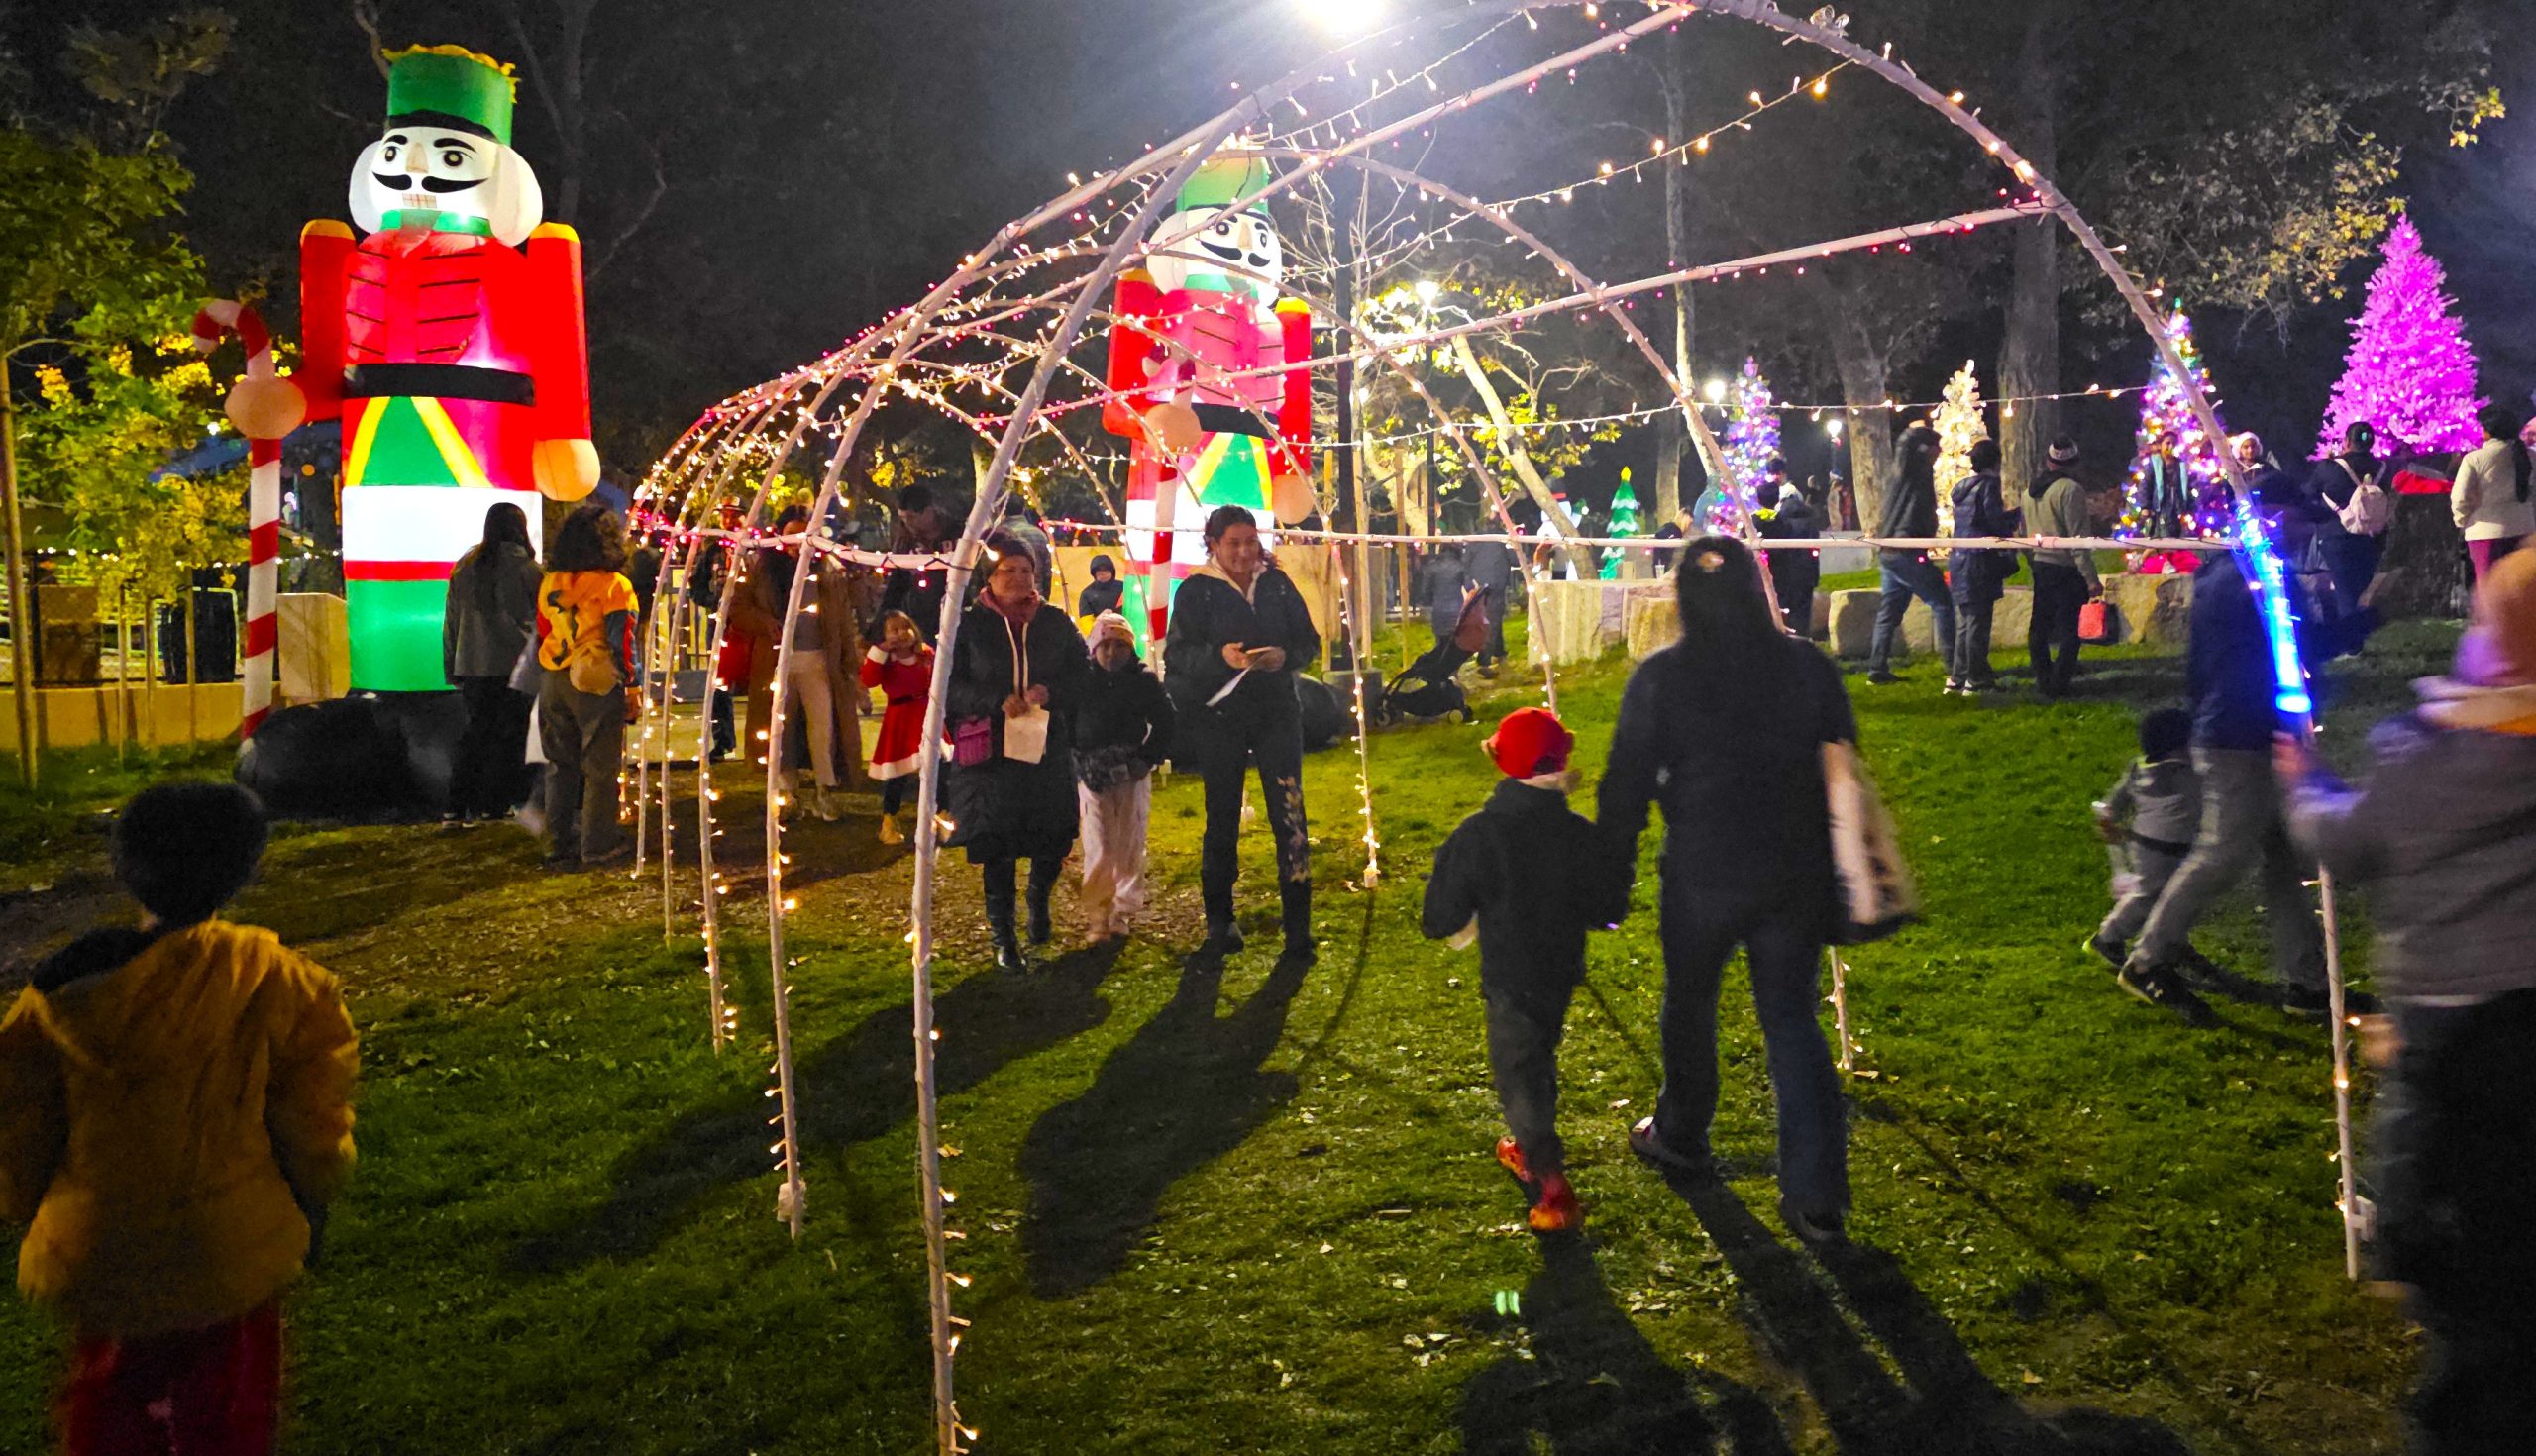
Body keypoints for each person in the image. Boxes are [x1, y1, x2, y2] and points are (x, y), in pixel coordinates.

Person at [1, 782, 357, 1455]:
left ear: (126, 866)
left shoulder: (60, 997)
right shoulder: (283, 984)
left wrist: (25, 1202)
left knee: (110, 1412)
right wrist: (312, 1192)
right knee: (227, 1414)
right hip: (230, 1253)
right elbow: (314, 1126)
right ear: (243, 868)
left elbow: (18, 1124)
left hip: (105, 1250)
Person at [2277, 550, 2536, 1453]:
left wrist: (2302, 779)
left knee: (2444, 1189)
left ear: (2495, 650)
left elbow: (2347, 841)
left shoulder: (2427, 759)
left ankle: (2419, 1273)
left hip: (2453, 1025)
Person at [1600, 536, 1856, 1243]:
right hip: (1791, 868)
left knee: (1691, 999)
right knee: (1790, 1018)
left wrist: (1610, 870)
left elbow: (1625, 780)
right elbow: (1843, 761)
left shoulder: (1665, 678)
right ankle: (1816, 1191)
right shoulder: (1805, 668)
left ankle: (1682, 1129)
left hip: (1704, 868)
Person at [1422, 707, 1627, 1234]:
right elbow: (1607, 907)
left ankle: (1551, 1182)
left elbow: (1439, 914)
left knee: (1520, 1069)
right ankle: (1530, 1145)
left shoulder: (1480, 835)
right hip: (1560, 969)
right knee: (1537, 1054)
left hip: (1511, 973)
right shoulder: (1577, 833)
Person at [2115, 551, 2327, 1022]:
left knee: (2284, 857)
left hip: (2247, 728)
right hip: (2242, 733)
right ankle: (2147, 960)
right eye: (2294, 520)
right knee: (2222, 853)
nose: (2299, 535)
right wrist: (2370, 614)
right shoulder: (2259, 576)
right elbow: (2299, 646)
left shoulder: (2221, 572)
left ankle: (2308, 982)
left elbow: (2205, 659)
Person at [1163, 504, 1322, 961]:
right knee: (1222, 815)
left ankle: (1298, 923)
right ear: (1213, 544)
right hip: (1221, 718)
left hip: (1276, 712)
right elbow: (1179, 655)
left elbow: (1307, 641)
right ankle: (1220, 919)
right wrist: (1222, 657)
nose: (1243, 552)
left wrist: (1284, 657)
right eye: (1233, 543)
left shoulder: (1276, 584)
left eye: (1250, 541)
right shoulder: (1196, 592)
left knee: (1289, 812)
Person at [943, 534, 1089, 972]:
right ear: (990, 576)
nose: (1020, 577)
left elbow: (1082, 674)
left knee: (1052, 835)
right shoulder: (968, 625)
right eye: (1009, 569)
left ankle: (1039, 899)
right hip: (992, 755)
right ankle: (1002, 935)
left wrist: (1051, 690)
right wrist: (994, 698)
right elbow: (949, 686)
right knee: (998, 843)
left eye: (1027, 570)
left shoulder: (1055, 623)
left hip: (1046, 747)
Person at [534, 503, 641, 868]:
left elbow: (543, 630)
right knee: (600, 765)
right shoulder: (614, 586)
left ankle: (555, 841)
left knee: (559, 764)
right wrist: (632, 685)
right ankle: (598, 844)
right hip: (592, 679)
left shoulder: (551, 582)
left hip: (553, 675)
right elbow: (622, 641)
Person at [751, 505, 865, 820]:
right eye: (793, 533)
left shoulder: (827, 569)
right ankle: (787, 791)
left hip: (818, 660)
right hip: (778, 662)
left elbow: (843, 618)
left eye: (805, 533)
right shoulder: (764, 569)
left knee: (823, 727)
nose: (799, 541)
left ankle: (824, 790)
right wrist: (764, 621)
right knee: (781, 729)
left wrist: (849, 661)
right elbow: (739, 606)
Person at [1073, 612, 1174, 940]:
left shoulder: (1142, 681)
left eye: (1120, 645)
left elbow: (1166, 722)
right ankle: (1099, 912)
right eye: (1106, 645)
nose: (1112, 653)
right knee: (1100, 841)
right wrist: (1078, 758)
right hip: (1093, 771)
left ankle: (1123, 909)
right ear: (1094, 648)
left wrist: (1146, 758)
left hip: (1131, 769)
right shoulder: (1082, 681)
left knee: (1129, 840)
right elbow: (1066, 722)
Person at [442, 501, 542, 821]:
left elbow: (451, 622)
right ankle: (495, 804)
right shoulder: (529, 570)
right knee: (510, 738)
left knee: (475, 735)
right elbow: (541, 622)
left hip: (472, 664)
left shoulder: (465, 567)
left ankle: (456, 806)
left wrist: (451, 665)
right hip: (516, 666)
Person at [2088, 707, 2199, 967]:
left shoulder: (2139, 769)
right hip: (2162, 848)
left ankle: (2172, 941)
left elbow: (2118, 798)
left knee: (2173, 897)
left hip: (2147, 846)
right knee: (2148, 896)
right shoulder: (2182, 773)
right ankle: (2107, 938)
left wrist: (2109, 814)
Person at [1866, 423, 1956, 685]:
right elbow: (1905, 445)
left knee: (1890, 611)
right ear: (1925, 450)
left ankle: (1877, 668)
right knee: (1942, 603)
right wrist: (1914, 430)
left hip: (1890, 550)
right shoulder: (1912, 470)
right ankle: (1955, 666)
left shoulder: (1904, 473)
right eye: (1936, 450)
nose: (1938, 455)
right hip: (1907, 549)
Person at [2025, 437, 2101, 699]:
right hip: (2066, 569)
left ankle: (2043, 677)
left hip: (2040, 563)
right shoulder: (2070, 491)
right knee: (2070, 630)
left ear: (2049, 461)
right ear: (2073, 463)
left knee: (2040, 627)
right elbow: (2077, 539)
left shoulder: (2030, 491)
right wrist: (2091, 579)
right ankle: (2060, 683)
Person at [1947, 438, 2019, 692]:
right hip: (1979, 562)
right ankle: (1976, 679)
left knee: (1966, 623)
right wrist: (2014, 518)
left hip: (1959, 560)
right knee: (1978, 624)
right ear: (1996, 461)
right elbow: (1993, 522)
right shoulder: (1988, 487)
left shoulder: (1961, 489)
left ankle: (1958, 677)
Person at [861, 610, 934, 845]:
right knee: (898, 775)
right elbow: (869, 679)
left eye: (905, 627)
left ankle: (940, 816)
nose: (902, 633)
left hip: (926, 714)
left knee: (937, 768)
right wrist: (880, 651)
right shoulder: (885, 660)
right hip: (900, 718)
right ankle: (889, 820)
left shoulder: (926, 654)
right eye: (894, 630)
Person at [2309, 421, 2392, 622]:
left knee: (2344, 590)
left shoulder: (2330, 467)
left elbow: (2310, 493)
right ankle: (2359, 633)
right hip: (2371, 537)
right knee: (2360, 586)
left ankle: (2352, 643)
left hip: (2337, 537)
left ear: (2347, 441)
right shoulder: (2383, 468)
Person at [2451, 403, 2535, 584]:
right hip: (2524, 529)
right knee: (2522, 590)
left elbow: (2459, 498)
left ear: (2488, 431)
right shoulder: (2530, 457)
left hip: (2486, 533)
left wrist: (2462, 521)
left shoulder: (2474, 459)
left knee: (2491, 592)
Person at [879, 484, 953, 640]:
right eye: (903, 518)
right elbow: (896, 584)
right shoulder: (905, 541)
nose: (907, 523)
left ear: (928, 512)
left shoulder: (954, 534)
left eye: (912, 517)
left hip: (952, 617)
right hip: (917, 620)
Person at [1756, 466, 1822, 638]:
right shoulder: (1809, 520)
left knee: (1785, 609)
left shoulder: (1781, 521)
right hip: (1807, 572)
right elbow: (1815, 548)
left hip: (1786, 573)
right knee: (1803, 611)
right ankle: (1803, 638)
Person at [1463, 535, 1515, 675]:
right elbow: (1515, 560)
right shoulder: (1501, 542)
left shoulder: (1475, 541)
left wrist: (1469, 585)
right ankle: (1484, 659)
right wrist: (1511, 546)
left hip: (1480, 586)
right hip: (1497, 586)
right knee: (1493, 620)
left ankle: (1498, 650)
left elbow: (1465, 563)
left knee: (1489, 619)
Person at [1001, 496, 1055, 597]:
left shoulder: (997, 535)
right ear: (1023, 509)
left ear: (1002, 510)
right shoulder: (1039, 534)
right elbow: (1047, 573)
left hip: (1003, 598)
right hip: (1035, 595)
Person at [1423, 542, 1470, 653]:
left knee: (1440, 641)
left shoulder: (1433, 566)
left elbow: (1426, 589)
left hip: (1438, 608)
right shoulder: (1461, 566)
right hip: (1456, 608)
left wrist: (1429, 601)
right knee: (1455, 642)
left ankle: (1440, 665)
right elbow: (1469, 586)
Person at [1077, 553, 1125, 620]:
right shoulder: (1087, 594)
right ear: (1094, 575)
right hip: (1099, 628)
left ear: (1112, 572)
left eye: (1107, 572)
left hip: (1124, 627)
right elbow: (1085, 620)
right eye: (1100, 574)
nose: (1104, 576)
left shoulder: (1124, 588)